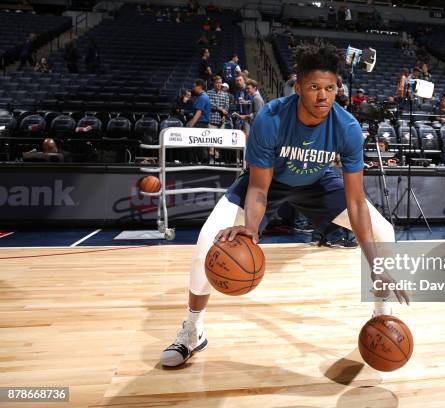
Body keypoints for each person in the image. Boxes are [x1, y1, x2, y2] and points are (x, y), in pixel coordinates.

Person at [159, 43, 408, 367]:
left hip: (318, 183)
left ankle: (381, 319)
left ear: (338, 88)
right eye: (315, 87)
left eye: (330, 88)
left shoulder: (346, 127)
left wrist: (376, 268)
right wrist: (250, 229)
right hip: (272, 181)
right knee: (207, 241)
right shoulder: (271, 118)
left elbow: (356, 201)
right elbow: (260, 188)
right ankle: (193, 330)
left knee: (382, 230)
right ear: (299, 86)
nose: (323, 96)